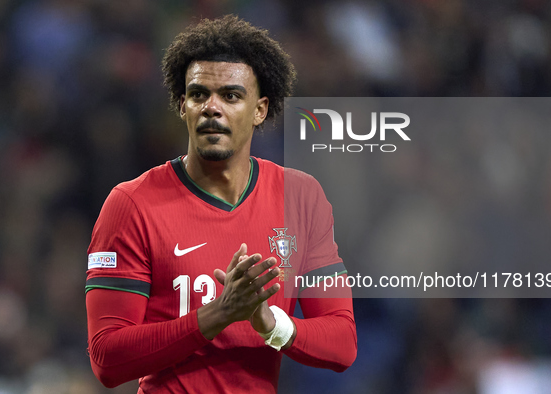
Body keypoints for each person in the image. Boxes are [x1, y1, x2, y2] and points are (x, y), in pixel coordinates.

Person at [85, 15, 357, 393]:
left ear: (260, 110)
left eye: (230, 96)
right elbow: (106, 360)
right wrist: (220, 313)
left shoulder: (301, 198)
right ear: (183, 106)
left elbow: (343, 343)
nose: (212, 107)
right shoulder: (131, 204)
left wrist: (269, 323)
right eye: (198, 95)